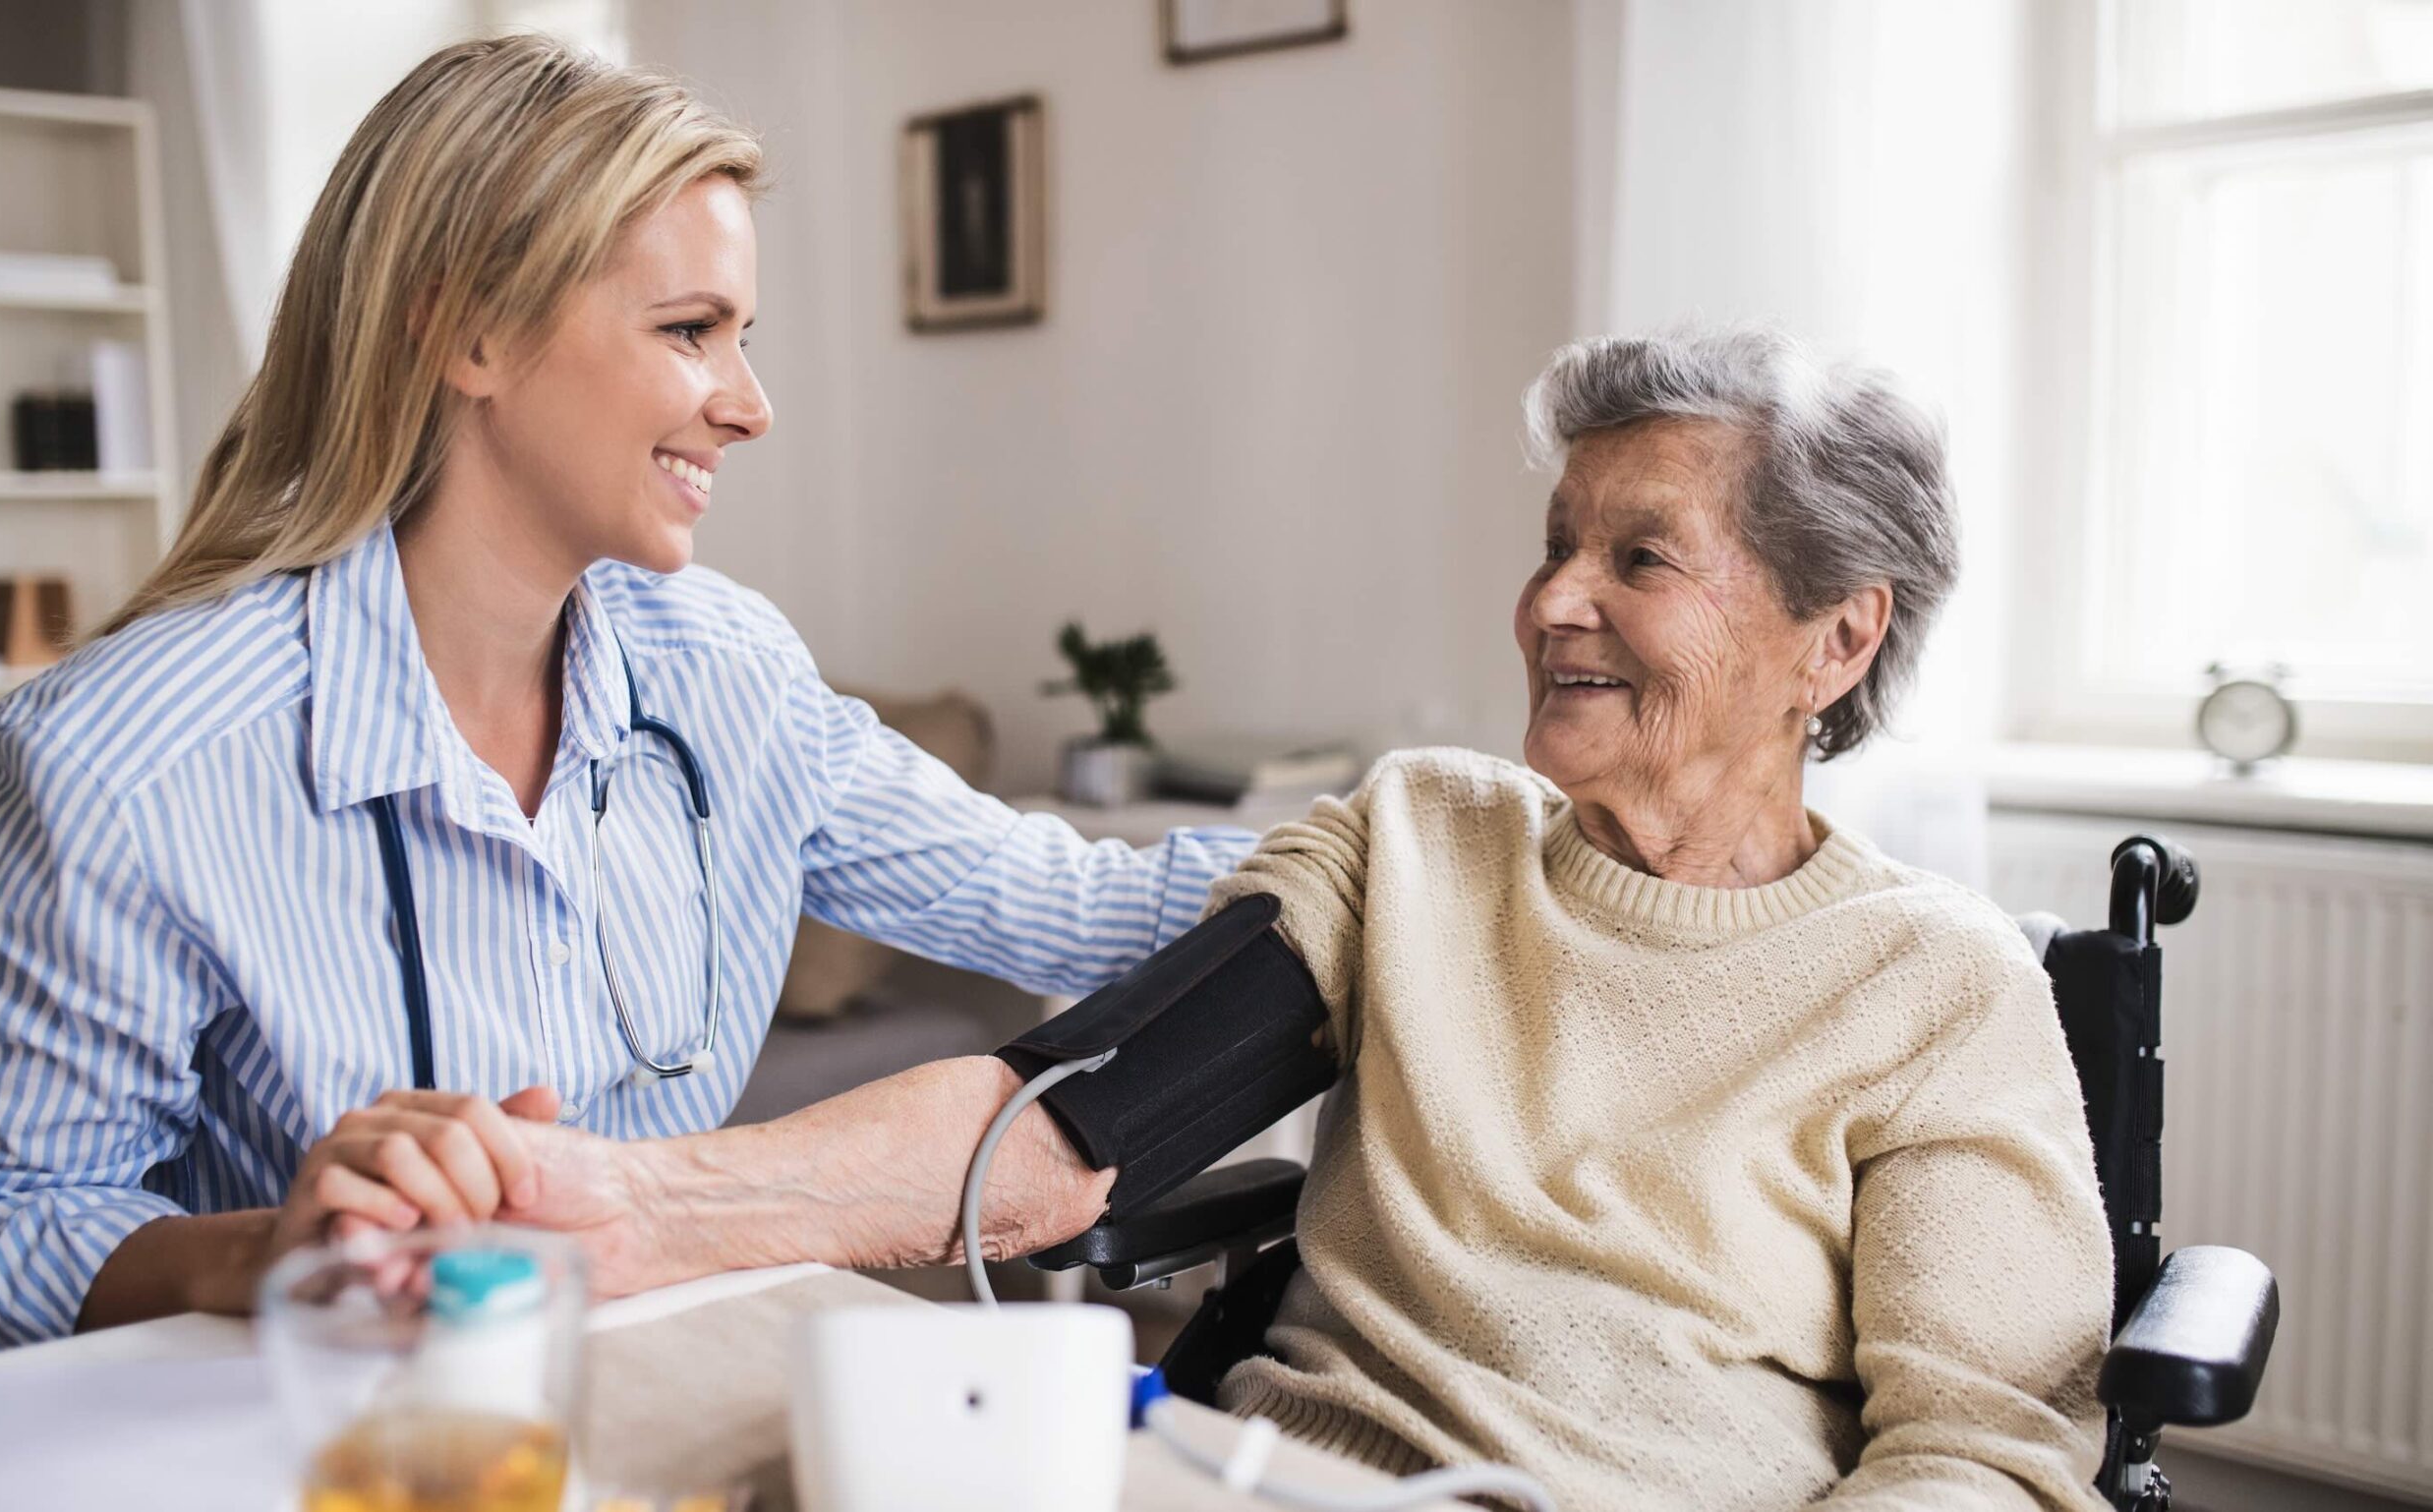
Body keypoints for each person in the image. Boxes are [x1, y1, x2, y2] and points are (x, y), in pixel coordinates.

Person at [483, 328, 2116, 1509]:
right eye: (1556, 543)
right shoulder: (1424, 839)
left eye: (1639, 556)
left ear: (1836, 638)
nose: (1554, 600)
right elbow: (1055, 1123)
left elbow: (1981, 1449)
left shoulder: (1938, 986)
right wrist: (625, 1198)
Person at [0, 33, 1251, 1355]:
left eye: (743, 337)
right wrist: (273, 1246)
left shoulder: (728, 673)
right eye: (690, 332)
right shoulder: (120, 759)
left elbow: (1086, 910)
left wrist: (1423, 847)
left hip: (657, 1404)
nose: (751, 405)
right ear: (468, 330)